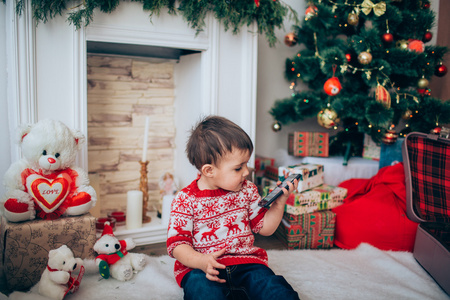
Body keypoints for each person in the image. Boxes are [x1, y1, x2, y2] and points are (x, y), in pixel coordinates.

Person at [166, 115, 300, 300]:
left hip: (247, 264)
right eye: (238, 168)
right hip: (204, 269)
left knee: (276, 289)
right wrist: (201, 261)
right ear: (209, 171)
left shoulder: (247, 190)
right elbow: (177, 245)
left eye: (246, 164)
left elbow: (265, 228)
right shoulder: (185, 199)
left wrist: (279, 203)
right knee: (202, 291)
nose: (246, 172)